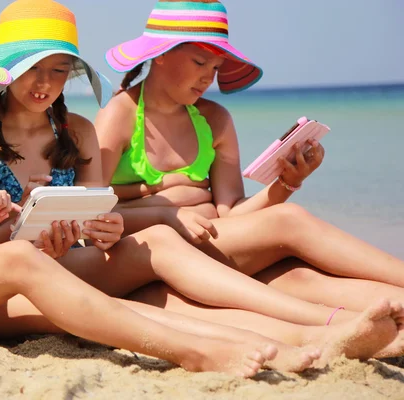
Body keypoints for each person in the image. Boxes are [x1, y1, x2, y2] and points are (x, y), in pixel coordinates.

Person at [0, 18, 295, 377]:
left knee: (89, 305)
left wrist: (11, 231)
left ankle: (277, 341)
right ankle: (193, 354)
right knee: (25, 265)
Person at [0, 0, 404, 368]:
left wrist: (102, 229)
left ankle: (338, 328)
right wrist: (15, 224)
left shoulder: (78, 131)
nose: (44, 82)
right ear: (4, 69)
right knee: (174, 262)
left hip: (77, 264)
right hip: (12, 276)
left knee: (278, 274)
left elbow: (98, 227)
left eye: (58, 69)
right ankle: (325, 325)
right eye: (31, 68)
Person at [94, 0, 404, 325]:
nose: (207, 78)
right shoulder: (121, 114)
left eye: (215, 68)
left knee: (300, 279)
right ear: (158, 55)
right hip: (157, 252)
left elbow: (231, 212)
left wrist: (286, 183)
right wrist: (165, 214)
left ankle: (386, 321)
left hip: (219, 242)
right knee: (289, 220)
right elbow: (91, 214)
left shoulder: (215, 119)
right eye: (199, 62)